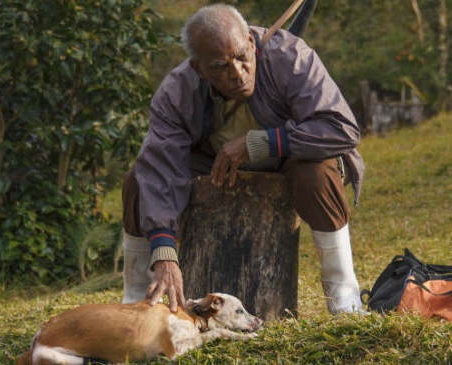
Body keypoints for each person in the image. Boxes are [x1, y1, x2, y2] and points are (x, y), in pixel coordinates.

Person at [121, 3, 366, 315]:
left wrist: (262, 143)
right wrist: (164, 250)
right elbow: (159, 170)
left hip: (290, 159)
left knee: (317, 172)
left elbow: (339, 129)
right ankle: (138, 301)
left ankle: (344, 296)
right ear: (199, 68)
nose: (237, 73)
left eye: (241, 57)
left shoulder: (292, 57)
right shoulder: (177, 90)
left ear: (251, 42)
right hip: (214, 165)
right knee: (138, 179)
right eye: (220, 67)